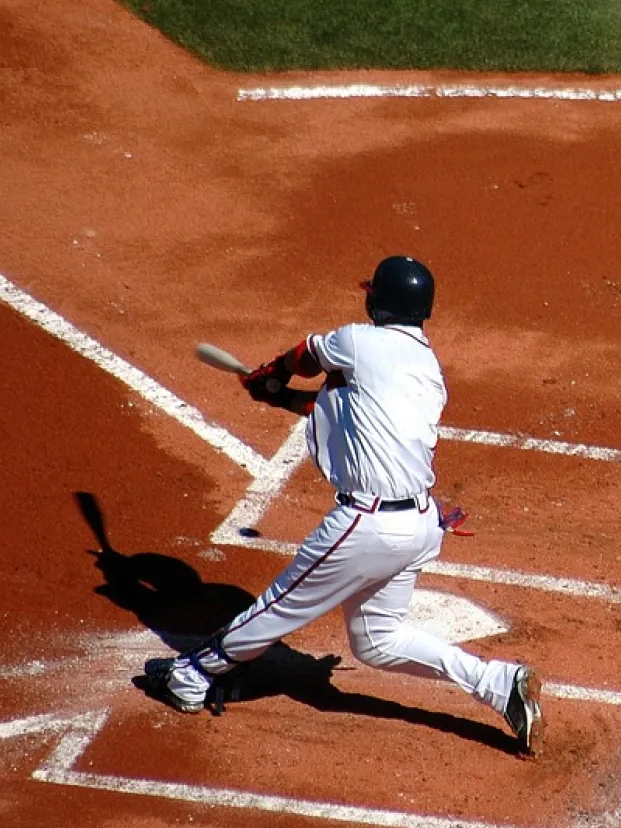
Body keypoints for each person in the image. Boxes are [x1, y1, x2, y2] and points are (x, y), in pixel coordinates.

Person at [142, 256, 543, 754]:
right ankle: (499, 684)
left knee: (279, 606)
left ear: (379, 300)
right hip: (419, 523)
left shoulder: (358, 341)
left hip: (368, 524)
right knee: (377, 641)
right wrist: (278, 397)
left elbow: (307, 355)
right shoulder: (425, 366)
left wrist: (271, 373)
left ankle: (191, 676)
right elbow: (344, 412)